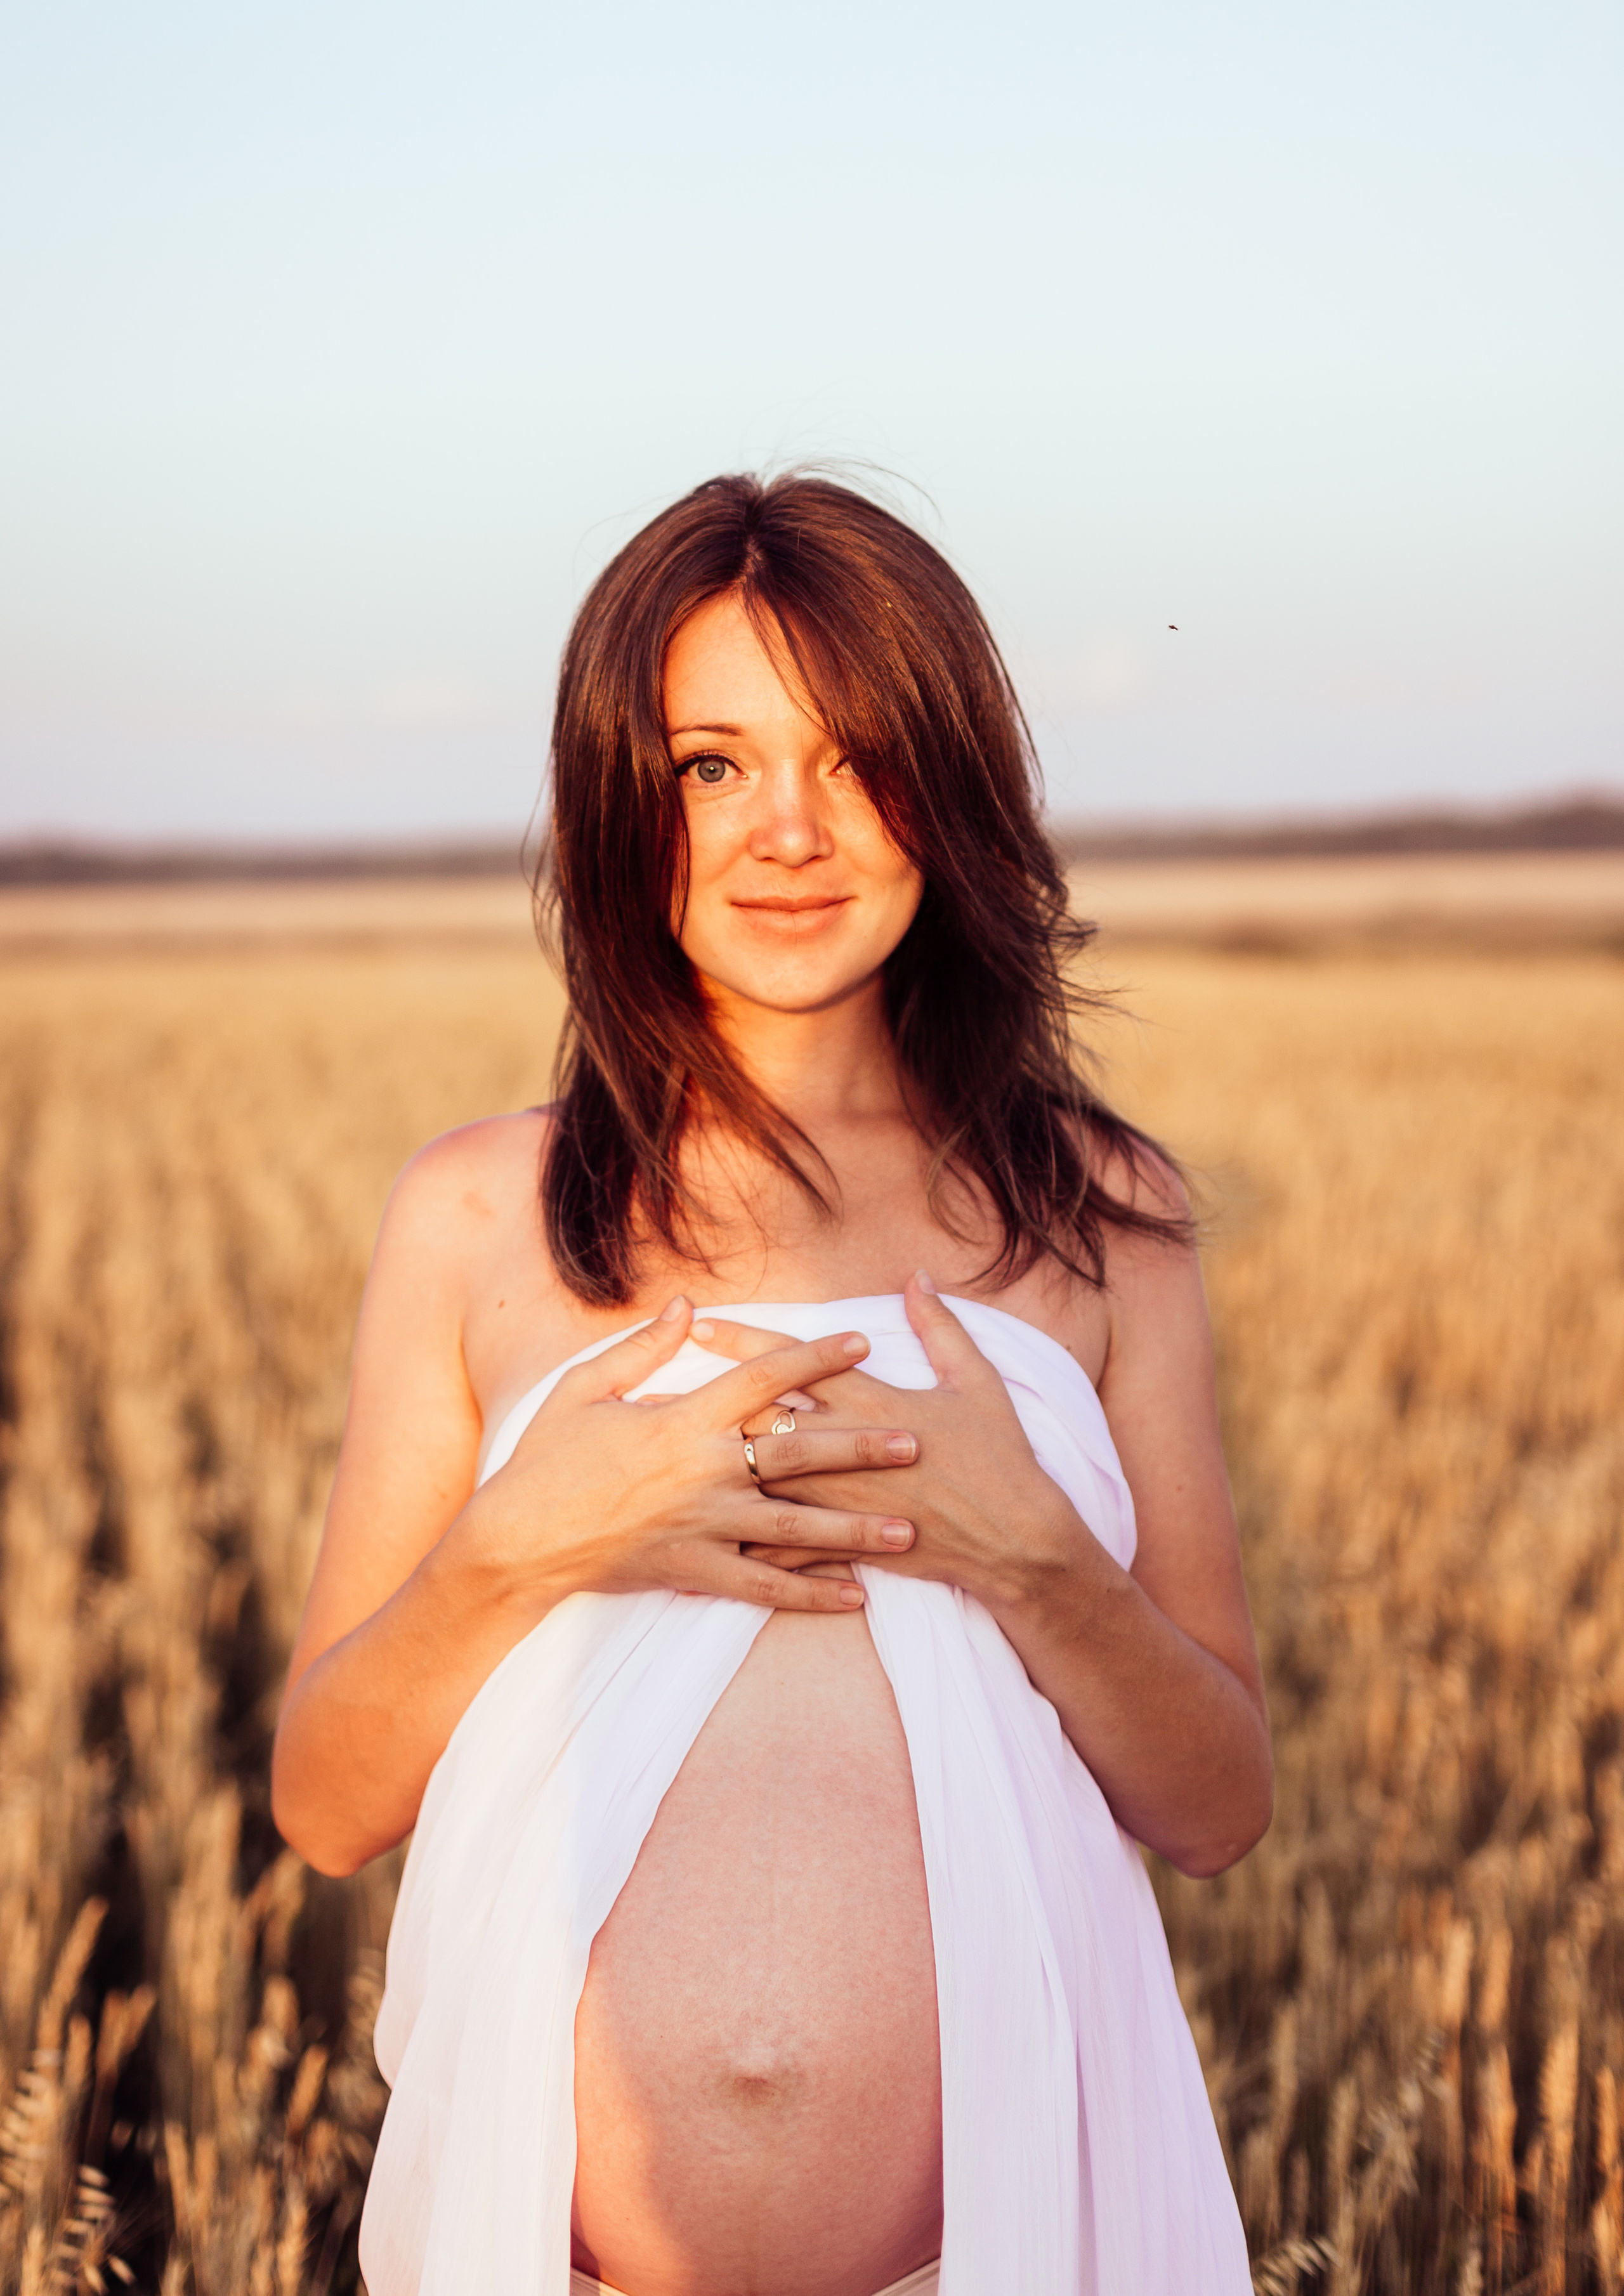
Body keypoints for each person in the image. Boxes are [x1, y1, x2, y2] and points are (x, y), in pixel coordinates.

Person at [271, 472, 1270, 2296]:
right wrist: (527, 1548)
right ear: (618, 804)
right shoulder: (481, 1210)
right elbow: (328, 1801)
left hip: (999, 2257)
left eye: (852, 755)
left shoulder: (1109, 1216)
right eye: (712, 765)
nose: (786, 831)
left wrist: (1032, 1557)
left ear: (944, 785)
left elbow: (1218, 1805)